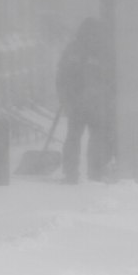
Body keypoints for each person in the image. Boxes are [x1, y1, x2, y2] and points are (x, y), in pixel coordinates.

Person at [56, 17, 114, 183]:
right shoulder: (103, 52)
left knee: (75, 137)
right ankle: (94, 171)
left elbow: (61, 76)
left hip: (78, 103)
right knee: (95, 137)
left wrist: (65, 97)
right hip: (92, 104)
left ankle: (72, 172)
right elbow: (110, 79)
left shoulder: (73, 49)